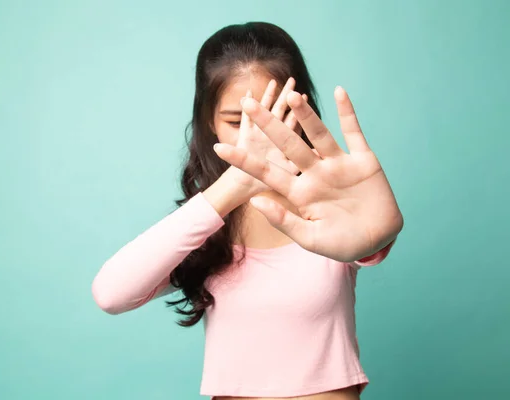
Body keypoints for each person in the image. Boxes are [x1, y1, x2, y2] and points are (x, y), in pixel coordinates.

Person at [91, 21, 403, 400]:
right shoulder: (203, 224)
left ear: (300, 109)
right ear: (209, 121)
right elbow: (111, 294)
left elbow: (366, 239)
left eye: (273, 115)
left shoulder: (330, 200)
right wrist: (232, 188)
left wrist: (378, 236)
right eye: (237, 121)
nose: (257, 136)